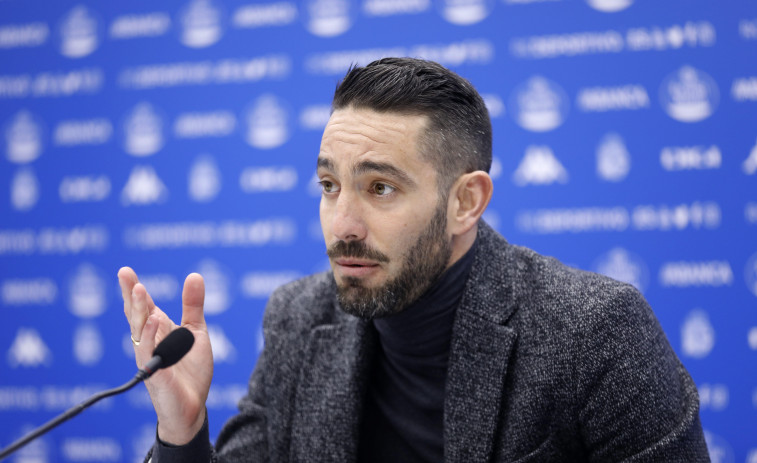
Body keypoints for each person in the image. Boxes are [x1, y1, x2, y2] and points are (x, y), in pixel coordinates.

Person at [119, 57, 710, 462]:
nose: (343, 224)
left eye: (380, 188)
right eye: (329, 186)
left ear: (465, 202)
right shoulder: (299, 318)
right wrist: (183, 429)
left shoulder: (592, 331)